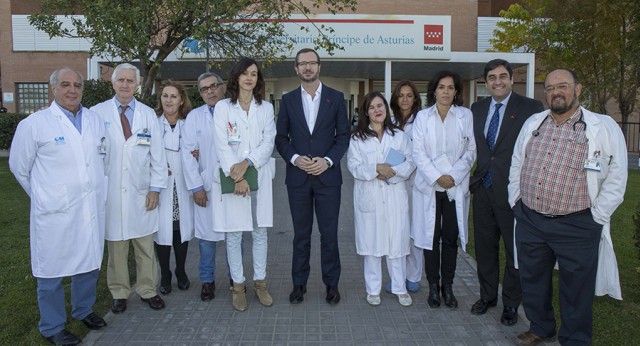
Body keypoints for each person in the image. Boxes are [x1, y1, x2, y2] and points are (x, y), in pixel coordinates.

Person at [508, 68, 627, 346]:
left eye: (562, 86)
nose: (555, 92)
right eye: (549, 88)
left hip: (577, 223)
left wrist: (597, 217)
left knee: (576, 288)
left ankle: (574, 339)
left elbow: (618, 175)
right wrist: (516, 201)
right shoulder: (534, 123)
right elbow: (517, 162)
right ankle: (540, 327)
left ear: (578, 88)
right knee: (533, 280)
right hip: (531, 220)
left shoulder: (603, 126)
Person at [9, 68, 108, 345]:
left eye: (77, 85)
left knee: (88, 262)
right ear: (53, 88)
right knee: (50, 269)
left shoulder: (94, 120)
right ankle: (52, 326)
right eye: (65, 84)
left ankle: (83, 309)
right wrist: (44, 196)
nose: (72, 90)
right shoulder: (35, 124)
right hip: (54, 212)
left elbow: (103, 159)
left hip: (88, 207)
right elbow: (19, 167)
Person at [469, 59, 544, 325]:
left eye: (502, 76)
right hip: (483, 191)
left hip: (514, 192)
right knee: (485, 249)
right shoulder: (476, 109)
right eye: (491, 77)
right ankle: (488, 296)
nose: (497, 81)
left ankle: (511, 304)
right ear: (485, 82)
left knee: (514, 250)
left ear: (512, 79)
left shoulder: (531, 108)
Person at [91, 63, 168, 314]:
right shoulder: (96, 113)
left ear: (137, 85)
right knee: (116, 248)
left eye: (130, 81)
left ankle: (148, 290)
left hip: (141, 193)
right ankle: (119, 292)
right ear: (113, 84)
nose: (125, 85)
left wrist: (155, 189)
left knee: (145, 247)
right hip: (110, 192)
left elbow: (158, 157)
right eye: (121, 80)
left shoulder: (148, 115)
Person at [275, 48, 350, 305]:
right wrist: (295, 159)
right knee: (301, 235)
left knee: (329, 235)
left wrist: (327, 161)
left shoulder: (336, 98)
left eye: (312, 63)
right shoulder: (288, 100)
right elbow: (281, 139)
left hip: (328, 179)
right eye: (302, 63)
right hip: (298, 179)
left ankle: (332, 285)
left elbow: (343, 137)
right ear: (296, 68)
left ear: (320, 67)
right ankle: (299, 285)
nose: (307, 67)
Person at [213, 58, 276, 311]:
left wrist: (248, 163)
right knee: (234, 232)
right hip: (232, 177)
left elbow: (268, 142)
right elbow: (221, 144)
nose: (249, 78)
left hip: (258, 173)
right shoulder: (223, 107)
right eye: (245, 73)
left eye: (254, 74)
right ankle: (238, 286)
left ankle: (260, 283)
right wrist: (237, 176)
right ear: (236, 77)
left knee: (260, 231)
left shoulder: (266, 108)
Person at [412, 70, 476, 309]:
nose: (446, 92)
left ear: (456, 92)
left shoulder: (465, 116)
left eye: (450, 88)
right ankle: (433, 287)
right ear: (434, 90)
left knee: (450, 239)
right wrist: (437, 176)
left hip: (453, 187)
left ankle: (447, 287)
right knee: (431, 238)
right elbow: (418, 152)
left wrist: (453, 176)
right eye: (441, 87)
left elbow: (470, 151)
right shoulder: (422, 117)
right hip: (430, 187)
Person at [347, 92, 415, 307]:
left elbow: (411, 162)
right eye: (372, 107)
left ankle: (399, 288)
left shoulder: (399, 136)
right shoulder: (357, 138)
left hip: (394, 195)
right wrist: (376, 168)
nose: (377, 110)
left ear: (386, 109)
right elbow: (354, 166)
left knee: (396, 243)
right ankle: (373, 289)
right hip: (371, 197)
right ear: (366, 112)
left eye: (381, 106)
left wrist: (391, 171)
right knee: (372, 246)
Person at [181, 72, 227, 301]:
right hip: (206, 187)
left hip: (231, 185)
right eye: (204, 89)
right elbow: (187, 155)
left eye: (214, 86)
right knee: (207, 239)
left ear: (223, 87)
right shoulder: (194, 117)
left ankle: (236, 279)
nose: (210, 91)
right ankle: (207, 281)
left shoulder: (235, 111)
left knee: (234, 237)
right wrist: (196, 187)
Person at [153, 81, 195, 295]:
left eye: (173, 96)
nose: (168, 100)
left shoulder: (188, 124)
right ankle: (165, 273)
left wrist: (198, 154)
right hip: (161, 186)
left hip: (183, 185)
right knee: (162, 230)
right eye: (165, 96)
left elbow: (197, 149)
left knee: (180, 230)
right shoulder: (153, 123)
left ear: (181, 101)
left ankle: (180, 270)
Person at [386, 80, 423, 294]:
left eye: (409, 95)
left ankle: (413, 275)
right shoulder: (389, 122)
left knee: (415, 230)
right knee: (396, 231)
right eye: (401, 95)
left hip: (417, 181)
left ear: (415, 98)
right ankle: (396, 277)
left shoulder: (423, 120)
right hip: (394, 181)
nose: (405, 99)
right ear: (395, 99)